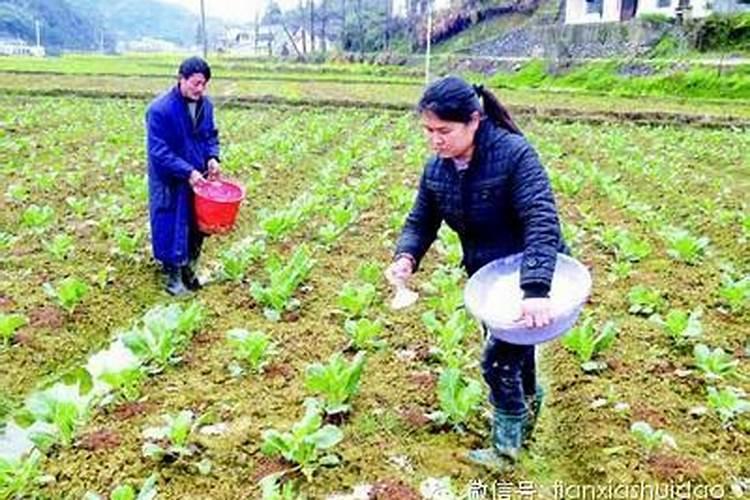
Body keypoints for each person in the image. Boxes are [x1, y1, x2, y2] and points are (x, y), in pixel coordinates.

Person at [387, 75, 568, 469]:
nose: (436, 140)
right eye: (428, 130)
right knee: (511, 347)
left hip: (530, 274)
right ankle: (527, 410)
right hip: (489, 278)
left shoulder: (515, 155)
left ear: (474, 121)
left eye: (444, 130)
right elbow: (421, 220)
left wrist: (535, 288)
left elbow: (541, 219)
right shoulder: (438, 170)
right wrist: (406, 256)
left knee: (498, 361)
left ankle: (507, 448)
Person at [146, 56, 221, 296]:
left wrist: (212, 157)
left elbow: (210, 136)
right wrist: (186, 171)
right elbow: (159, 151)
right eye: (196, 83)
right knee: (172, 224)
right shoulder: (159, 110)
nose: (200, 89)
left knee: (197, 226)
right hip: (171, 178)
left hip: (198, 176)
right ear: (181, 79)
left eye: (204, 84)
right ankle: (173, 278)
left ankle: (189, 270)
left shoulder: (205, 106)